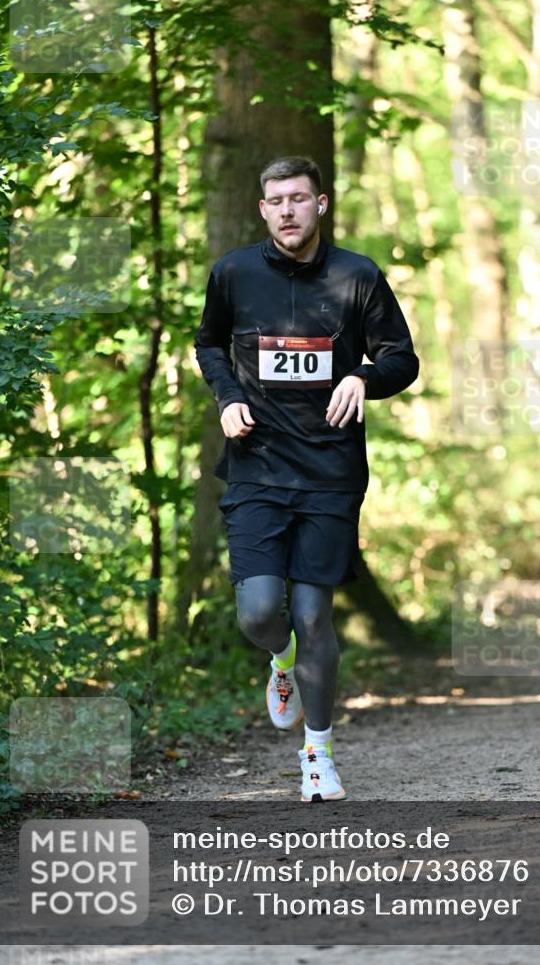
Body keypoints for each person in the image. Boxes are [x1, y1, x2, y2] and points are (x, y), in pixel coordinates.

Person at [194, 155, 419, 803]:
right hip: (255, 466)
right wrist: (226, 396)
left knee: (314, 613)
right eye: (276, 200)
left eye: (299, 198)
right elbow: (209, 343)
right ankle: (280, 662)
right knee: (262, 612)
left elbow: (401, 358)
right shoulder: (233, 273)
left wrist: (362, 376)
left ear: (320, 204)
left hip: (329, 473)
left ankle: (316, 753)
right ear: (262, 209)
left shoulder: (357, 275)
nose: (288, 209)